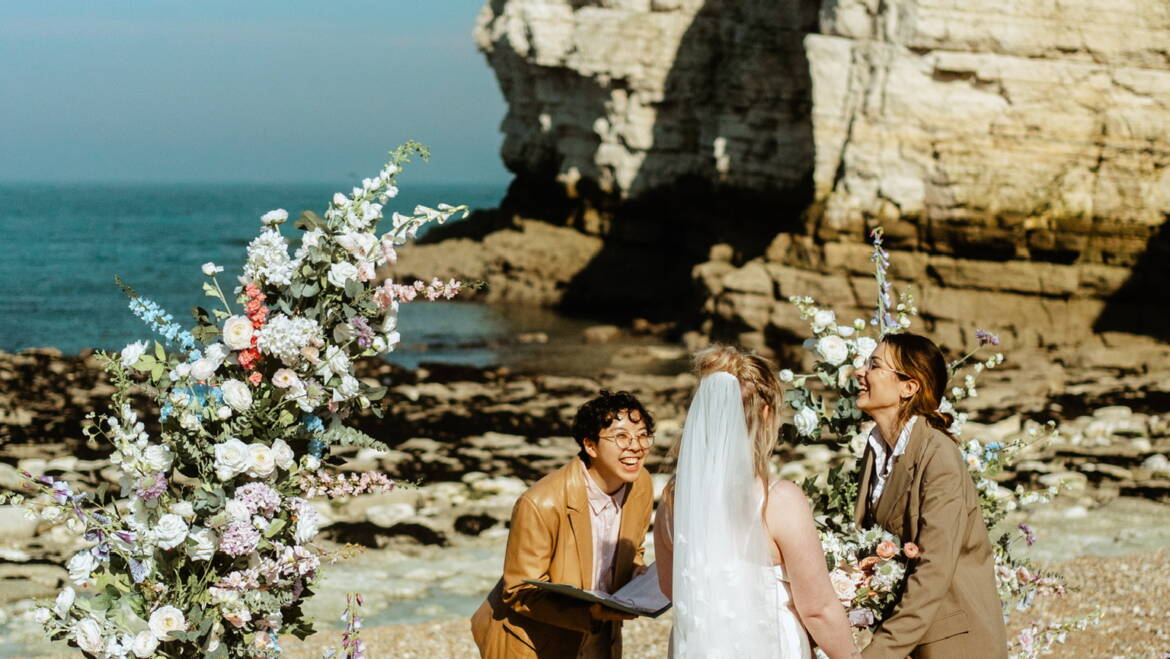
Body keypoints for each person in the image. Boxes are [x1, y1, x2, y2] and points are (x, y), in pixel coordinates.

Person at [654, 346, 857, 658]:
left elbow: (671, 588)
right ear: (766, 414)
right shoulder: (779, 500)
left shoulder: (673, 496)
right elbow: (817, 609)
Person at [853, 333, 1007, 658]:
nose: (860, 372)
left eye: (874, 365)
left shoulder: (939, 456)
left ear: (908, 387)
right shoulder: (874, 448)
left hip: (953, 640)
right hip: (906, 633)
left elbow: (934, 568)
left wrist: (878, 653)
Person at [470, 390, 655, 658]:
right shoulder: (539, 503)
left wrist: (635, 573)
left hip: (600, 636)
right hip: (533, 643)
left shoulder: (641, 485)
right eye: (621, 437)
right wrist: (589, 612)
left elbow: (633, 548)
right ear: (590, 446)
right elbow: (520, 591)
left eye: (642, 435)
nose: (636, 446)